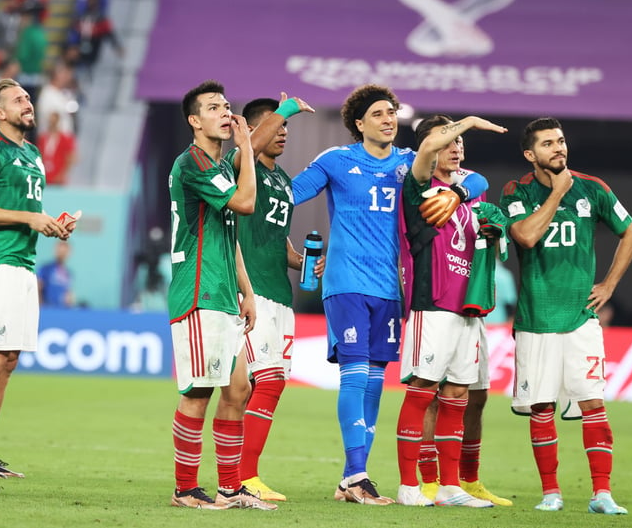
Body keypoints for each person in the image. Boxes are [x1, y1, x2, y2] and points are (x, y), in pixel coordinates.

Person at [291, 85, 486, 505]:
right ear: (359, 124)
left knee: (377, 381)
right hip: (346, 282)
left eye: (392, 112)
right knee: (356, 374)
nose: (388, 119)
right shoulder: (336, 161)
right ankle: (359, 475)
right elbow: (286, 196)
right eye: (378, 113)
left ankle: (350, 479)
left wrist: (459, 191)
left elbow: (475, 177)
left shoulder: (409, 164)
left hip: (392, 289)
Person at [499, 117, 632, 514]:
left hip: (581, 318)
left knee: (593, 402)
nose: (558, 148)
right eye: (547, 144)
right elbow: (524, 236)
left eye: (560, 141)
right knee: (541, 408)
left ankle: (602, 494)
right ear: (531, 154)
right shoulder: (517, 191)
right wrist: (557, 195)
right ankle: (551, 494)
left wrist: (609, 284)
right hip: (536, 319)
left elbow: (631, 232)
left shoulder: (593, 188)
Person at [168, 80, 277, 510]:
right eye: (214, 107)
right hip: (199, 290)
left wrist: (246, 290)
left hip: (224, 292)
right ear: (195, 121)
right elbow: (246, 204)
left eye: (226, 105)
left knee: (238, 390)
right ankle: (185, 489)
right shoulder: (193, 161)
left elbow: (229, 236)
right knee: (199, 391)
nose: (224, 111)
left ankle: (230, 488)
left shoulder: (220, 166)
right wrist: (248, 147)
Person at [393, 115, 507, 507]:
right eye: (448, 142)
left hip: (467, 309)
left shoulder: (466, 194)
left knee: (458, 392)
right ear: (428, 148)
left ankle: (449, 485)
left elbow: (481, 186)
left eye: (460, 143)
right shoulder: (418, 188)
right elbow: (425, 154)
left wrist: (492, 229)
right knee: (423, 388)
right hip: (433, 303)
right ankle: (409, 485)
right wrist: (469, 120)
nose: (456, 147)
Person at [0, 78, 71, 479]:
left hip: (24, 263)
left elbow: (27, 211)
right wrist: (30, 218)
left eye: (29, 98)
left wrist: (53, 225)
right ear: (0, 112)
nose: (28, 104)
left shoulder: (32, 153)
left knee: (9, 360)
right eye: (18, 100)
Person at [234, 96, 319, 502]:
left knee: (272, 383)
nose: (284, 131)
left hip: (280, 296)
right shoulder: (238, 167)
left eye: (286, 126)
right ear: (254, 130)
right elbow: (246, 146)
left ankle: (244, 475)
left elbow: (277, 238)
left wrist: (302, 260)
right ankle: (243, 477)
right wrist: (285, 109)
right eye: (275, 124)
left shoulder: (282, 180)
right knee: (260, 382)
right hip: (249, 293)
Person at [37, 239, 74, 307]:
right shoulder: (46, 269)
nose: (62, 254)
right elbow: (38, 289)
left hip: (61, 311)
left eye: (64, 252)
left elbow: (67, 293)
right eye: (60, 251)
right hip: (47, 309)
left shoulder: (68, 273)